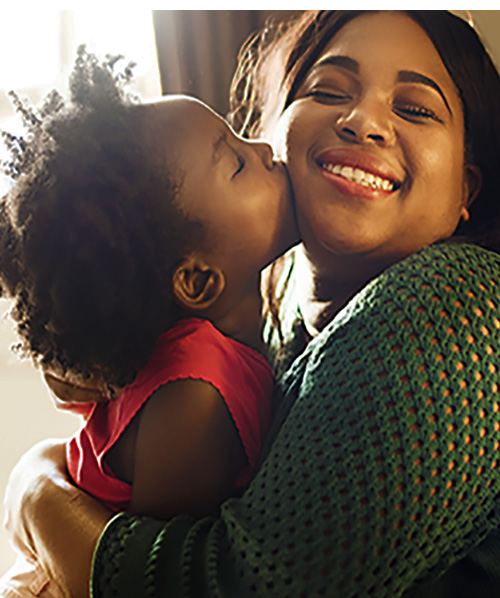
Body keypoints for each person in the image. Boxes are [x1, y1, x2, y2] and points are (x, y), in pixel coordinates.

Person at [5, 9, 500, 598]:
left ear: (468, 187)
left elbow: (230, 584)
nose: (365, 120)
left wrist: (36, 491)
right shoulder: (274, 314)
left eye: (415, 108)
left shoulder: (453, 305)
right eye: (328, 90)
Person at [0, 47, 298, 597]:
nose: (261, 148)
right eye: (234, 162)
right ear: (198, 281)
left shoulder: (203, 345)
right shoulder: (197, 395)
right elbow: (148, 576)